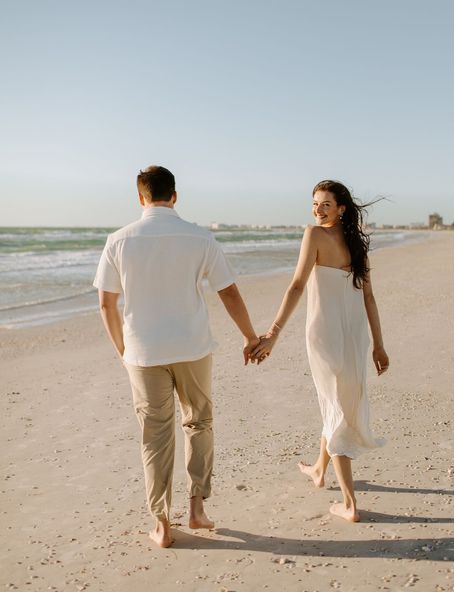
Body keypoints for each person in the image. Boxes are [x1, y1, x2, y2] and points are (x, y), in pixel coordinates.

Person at [93, 165, 259, 548]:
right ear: (175, 196)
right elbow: (228, 292)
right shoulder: (200, 238)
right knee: (198, 422)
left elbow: (106, 303)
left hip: (143, 351)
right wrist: (251, 337)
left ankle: (162, 522)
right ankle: (197, 509)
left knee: (155, 435)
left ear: (140, 197)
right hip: (193, 347)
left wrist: (123, 350)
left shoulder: (118, 240)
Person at [251, 180, 389, 522]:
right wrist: (378, 345)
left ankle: (350, 504)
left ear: (341, 208)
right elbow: (367, 297)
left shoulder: (313, 235)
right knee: (338, 401)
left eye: (325, 204)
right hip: (354, 336)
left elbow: (297, 285)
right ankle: (317, 469)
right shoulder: (357, 244)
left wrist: (273, 334)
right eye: (315, 203)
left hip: (326, 336)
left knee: (335, 408)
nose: (317, 209)